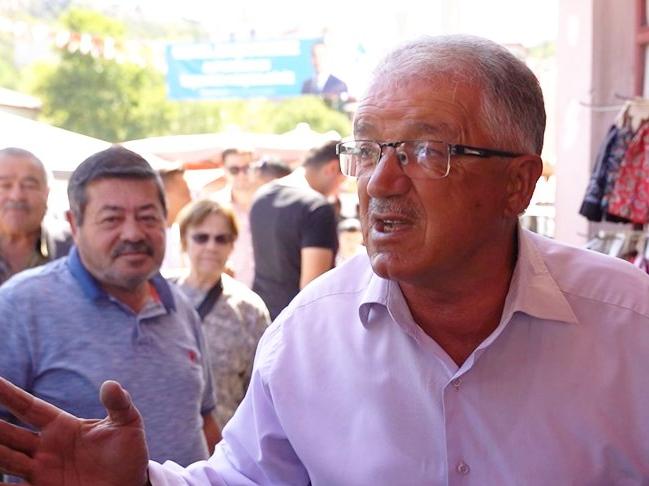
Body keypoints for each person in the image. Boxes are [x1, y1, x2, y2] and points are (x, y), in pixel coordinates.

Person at [3, 34, 649, 485]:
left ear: (518, 183)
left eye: (425, 152)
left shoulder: (628, 329)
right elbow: (245, 478)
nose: (379, 183)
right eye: (366, 151)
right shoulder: (308, 333)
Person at [0, 146, 220, 479]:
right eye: (112, 219)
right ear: (74, 224)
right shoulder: (19, 308)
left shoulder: (180, 307)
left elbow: (205, 420)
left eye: (147, 217)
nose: (133, 233)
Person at [175, 199, 270, 429]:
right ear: (184, 241)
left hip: (222, 441)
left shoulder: (249, 310)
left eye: (221, 239)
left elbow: (262, 391)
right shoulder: (160, 296)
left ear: (232, 245)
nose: (211, 246)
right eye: (201, 237)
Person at [250, 140, 344, 319]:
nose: (341, 187)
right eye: (343, 178)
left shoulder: (261, 196)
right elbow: (312, 291)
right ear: (332, 168)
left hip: (261, 318)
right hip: (295, 323)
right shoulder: (317, 208)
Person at [0, 147, 71, 286]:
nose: (17, 196)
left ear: (47, 193)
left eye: (29, 185)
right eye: (5, 185)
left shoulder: (75, 248)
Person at [210, 148, 258, 288]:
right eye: (234, 170)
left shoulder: (270, 203)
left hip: (270, 291)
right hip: (231, 289)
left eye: (247, 168)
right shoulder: (214, 206)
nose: (241, 175)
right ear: (224, 170)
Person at [158, 165, 192, 278]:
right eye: (185, 194)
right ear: (165, 197)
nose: (190, 200)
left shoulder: (180, 231)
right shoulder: (150, 237)